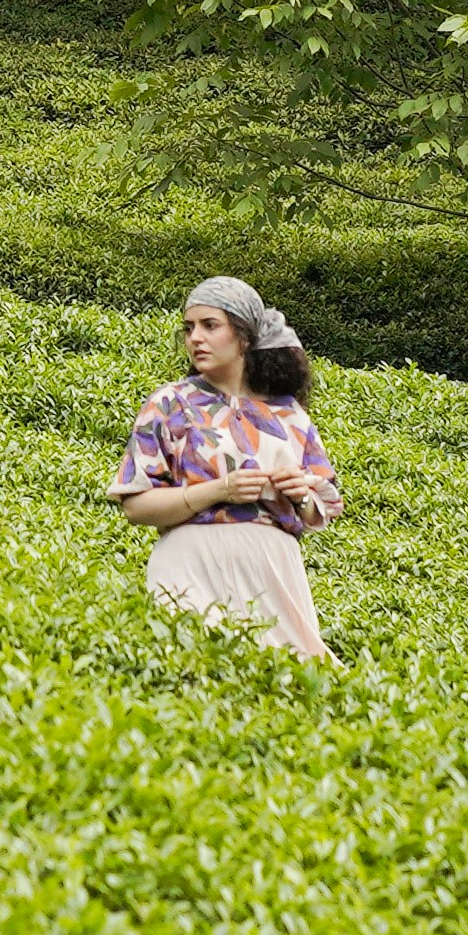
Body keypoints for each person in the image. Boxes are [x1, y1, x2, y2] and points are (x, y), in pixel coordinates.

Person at [113, 274, 337, 660]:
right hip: (190, 564)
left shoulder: (289, 415)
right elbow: (135, 506)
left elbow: (323, 509)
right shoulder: (170, 403)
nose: (195, 338)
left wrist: (300, 493)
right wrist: (219, 490)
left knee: (290, 678)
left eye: (210, 326)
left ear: (244, 337)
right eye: (189, 328)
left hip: (274, 571)